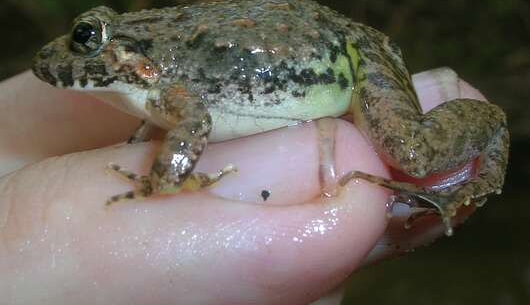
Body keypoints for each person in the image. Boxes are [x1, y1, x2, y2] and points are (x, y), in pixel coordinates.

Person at [0, 70, 486, 304]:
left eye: (88, 40)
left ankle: (492, 139)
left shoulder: (168, 84)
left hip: (347, 63)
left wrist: (167, 178)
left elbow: (193, 118)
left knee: (414, 155)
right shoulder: (152, 91)